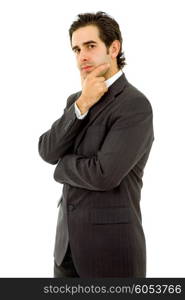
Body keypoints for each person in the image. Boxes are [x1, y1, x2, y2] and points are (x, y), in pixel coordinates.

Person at [38, 11, 154, 278]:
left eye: (91, 46)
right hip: (66, 248)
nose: (82, 56)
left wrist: (62, 166)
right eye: (76, 49)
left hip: (110, 252)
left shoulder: (134, 105)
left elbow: (104, 174)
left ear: (114, 48)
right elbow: (47, 150)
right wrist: (82, 105)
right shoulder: (75, 101)